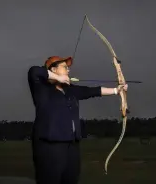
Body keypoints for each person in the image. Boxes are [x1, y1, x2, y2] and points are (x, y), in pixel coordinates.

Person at [28, 56, 128, 184]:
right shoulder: (42, 89)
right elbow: (34, 71)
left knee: (71, 179)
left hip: (72, 146)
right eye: (65, 67)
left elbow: (91, 91)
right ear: (53, 69)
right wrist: (57, 78)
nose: (68, 70)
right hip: (49, 147)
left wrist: (116, 90)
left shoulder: (70, 90)